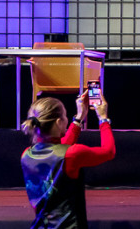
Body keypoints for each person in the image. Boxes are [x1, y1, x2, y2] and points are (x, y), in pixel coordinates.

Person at [21, 91, 115, 228]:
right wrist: (103, 119)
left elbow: (59, 150)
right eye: (65, 116)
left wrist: (79, 117)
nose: (66, 120)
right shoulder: (72, 154)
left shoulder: (26, 155)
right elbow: (108, 152)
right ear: (59, 122)